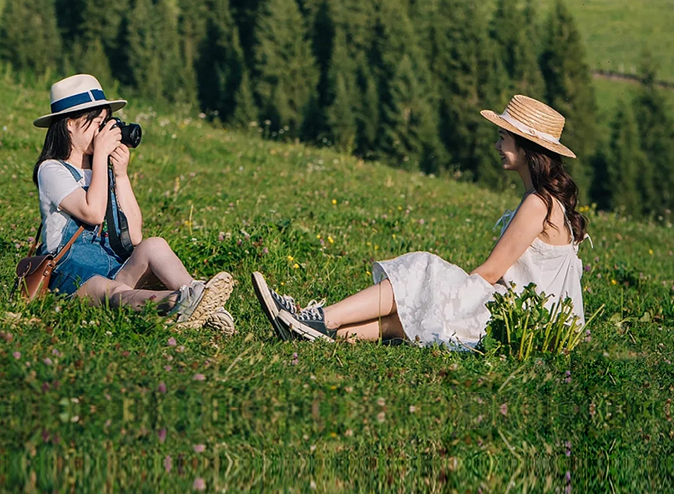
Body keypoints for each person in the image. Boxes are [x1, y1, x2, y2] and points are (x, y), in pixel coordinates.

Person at [252, 95, 587, 348]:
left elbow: (490, 272)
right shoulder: (548, 201)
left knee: (423, 270)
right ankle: (310, 331)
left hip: (522, 322)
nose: (497, 145)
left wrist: (449, 293)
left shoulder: (537, 203)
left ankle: (318, 318)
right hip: (534, 323)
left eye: (504, 137)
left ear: (526, 148)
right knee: (407, 317)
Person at [32, 74, 235, 333]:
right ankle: (182, 302)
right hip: (74, 279)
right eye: (97, 124)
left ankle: (199, 296)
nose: (104, 132)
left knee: (154, 245)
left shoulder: (101, 168)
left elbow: (136, 235)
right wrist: (101, 157)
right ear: (70, 124)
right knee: (114, 291)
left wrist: (121, 175)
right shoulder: (51, 170)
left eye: (106, 123)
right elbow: (92, 213)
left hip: (114, 265)